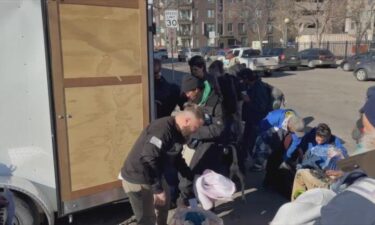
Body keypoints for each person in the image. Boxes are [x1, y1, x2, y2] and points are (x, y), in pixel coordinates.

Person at [119, 104, 204, 225]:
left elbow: (176, 156)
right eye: (195, 128)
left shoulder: (179, 132)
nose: (196, 132)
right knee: (147, 219)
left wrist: (190, 175)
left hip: (154, 172)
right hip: (138, 177)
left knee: (164, 205)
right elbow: (148, 158)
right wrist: (158, 190)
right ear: (186, 121)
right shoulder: (162, 130)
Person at [179, 74, 227, 204]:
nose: (187, 95)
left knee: (201, 180)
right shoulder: (190, 101)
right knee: (185, 179)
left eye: (189, 92)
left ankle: (208, 210)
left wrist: (195, 132)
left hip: (210, 144)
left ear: (197, 90)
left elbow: (219, 129)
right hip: (191, 143)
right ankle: (188, 204)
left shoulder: (215, 102)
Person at [290, 123, 349, 200]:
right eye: (318, 139)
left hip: (322, 170)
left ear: (328, 137)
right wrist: (301, 156)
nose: (319, 142)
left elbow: (343, 153)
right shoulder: (311, 135)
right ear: (315, 135)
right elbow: (301, 146)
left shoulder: (334, 141)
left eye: (323, 140)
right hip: (307, 163)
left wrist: (337, 152)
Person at [238, 68, 273, 156]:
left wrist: (248, 101)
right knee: (246, 139)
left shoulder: (260, 88)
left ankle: (254, 159)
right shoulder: (250, 86)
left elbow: (262, 107)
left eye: (242, 79)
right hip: (251, 119)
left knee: (253, 141)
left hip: (258, 120)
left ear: (247, 79)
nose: (241, 81)